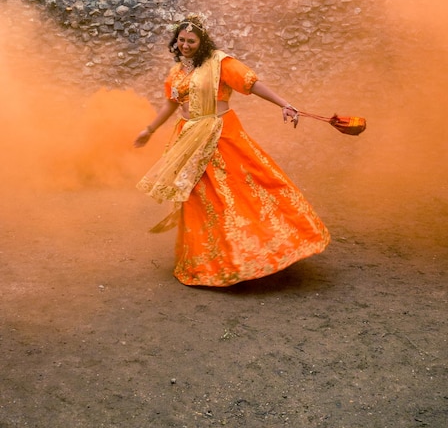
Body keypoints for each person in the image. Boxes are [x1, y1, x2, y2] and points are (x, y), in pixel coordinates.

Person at [134, 14, 330, 287]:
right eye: (181, 40)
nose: (185, 45)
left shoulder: (220, 63)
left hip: (221, 134)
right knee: (197, 198)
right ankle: (208, 263)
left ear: (202, 43)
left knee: (241, 189)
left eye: (191, 41)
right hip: (188, 137)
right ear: (175, 41)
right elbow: (170, 104)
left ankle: (260, 251)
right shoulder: (177, 72)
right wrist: (150, 129)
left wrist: (284, 104)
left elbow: (251, 84)